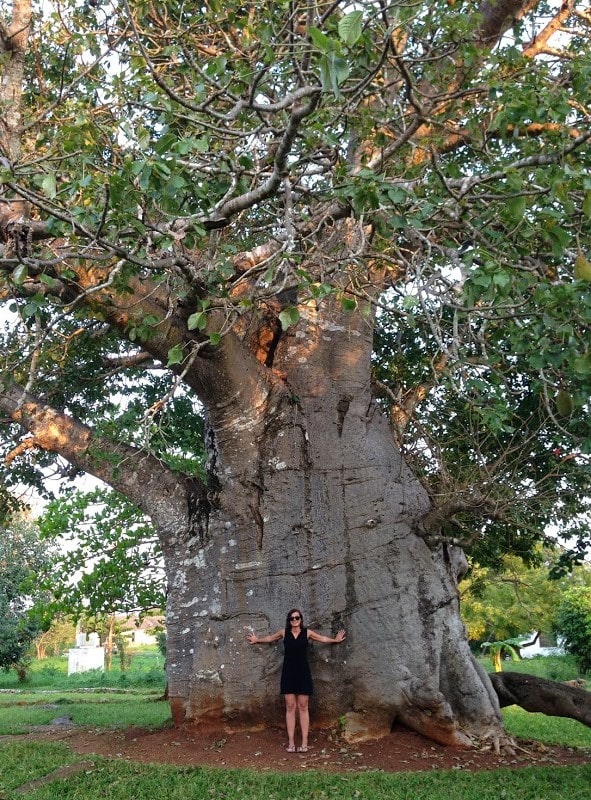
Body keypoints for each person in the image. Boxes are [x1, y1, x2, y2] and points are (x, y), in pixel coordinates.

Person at [246, 608, 346, 753]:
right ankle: (291, 743)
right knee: (290, 707)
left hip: (303, 673)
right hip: (288, 673)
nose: (294, 620)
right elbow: (271, 638)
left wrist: (335, 640)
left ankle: (304, 742)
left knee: (303, 706)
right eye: (292, 618)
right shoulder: (283, 632)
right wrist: (257, 640)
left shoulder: (307, 633)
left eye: (297, 618)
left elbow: (321, 638)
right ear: (289, 620)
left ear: (301, 619)